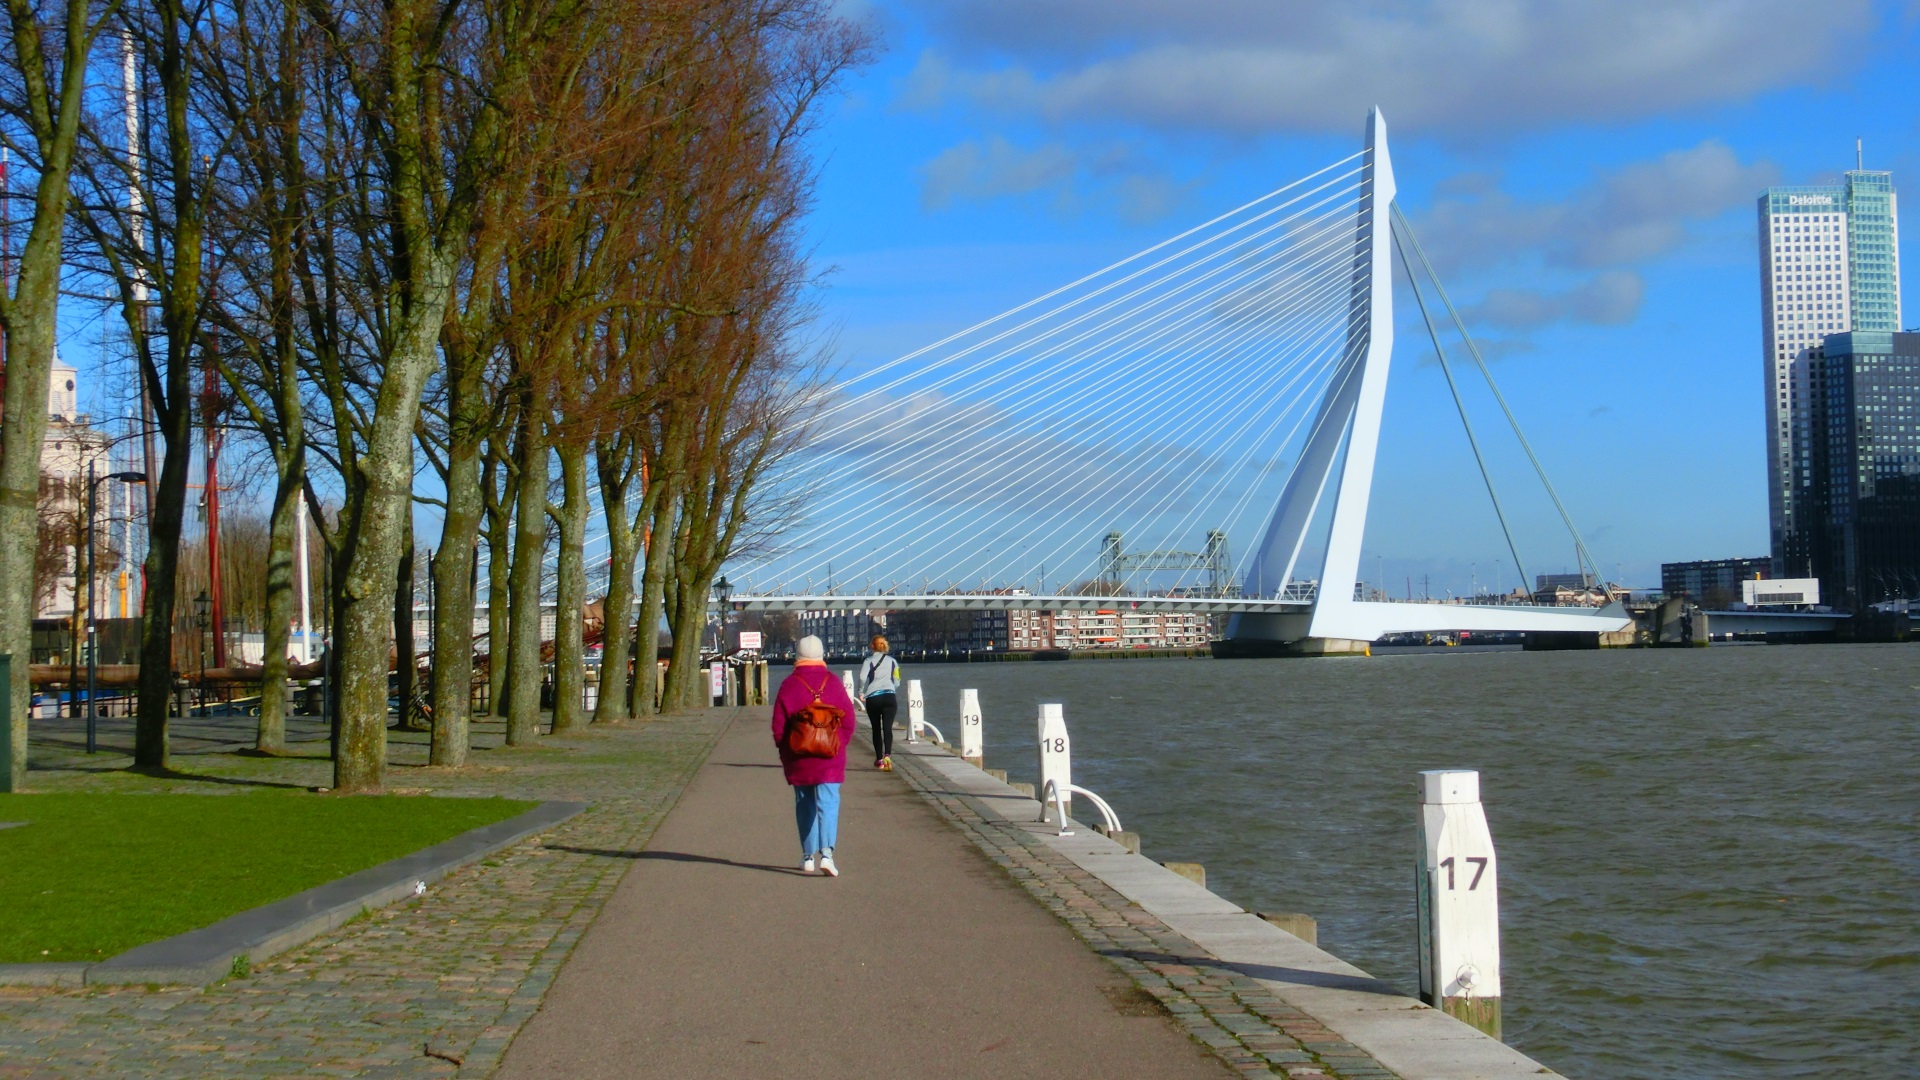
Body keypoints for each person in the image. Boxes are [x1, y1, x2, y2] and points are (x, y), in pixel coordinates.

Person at [771, 635, 856, 876]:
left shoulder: (789, 684)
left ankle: (807, 856)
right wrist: (838, 745)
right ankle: (827, 855)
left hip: (799, 757)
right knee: (829, 803)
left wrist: (787, 754)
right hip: (830, 756)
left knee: (804, 803)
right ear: (821, 657)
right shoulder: (833, 683)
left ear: (798, 657)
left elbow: (779, 727)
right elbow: (849, 721)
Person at [857, 634, 902, 770]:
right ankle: (888, 754)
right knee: (887, 728)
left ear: (872, 646)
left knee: (876, 728)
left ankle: (879, 760)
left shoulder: (868, 661)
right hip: (889, 698)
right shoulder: (893, 661)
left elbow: (862, 677)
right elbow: (898, 682)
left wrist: (861, 691)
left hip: (873, 698)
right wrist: (890, 689)